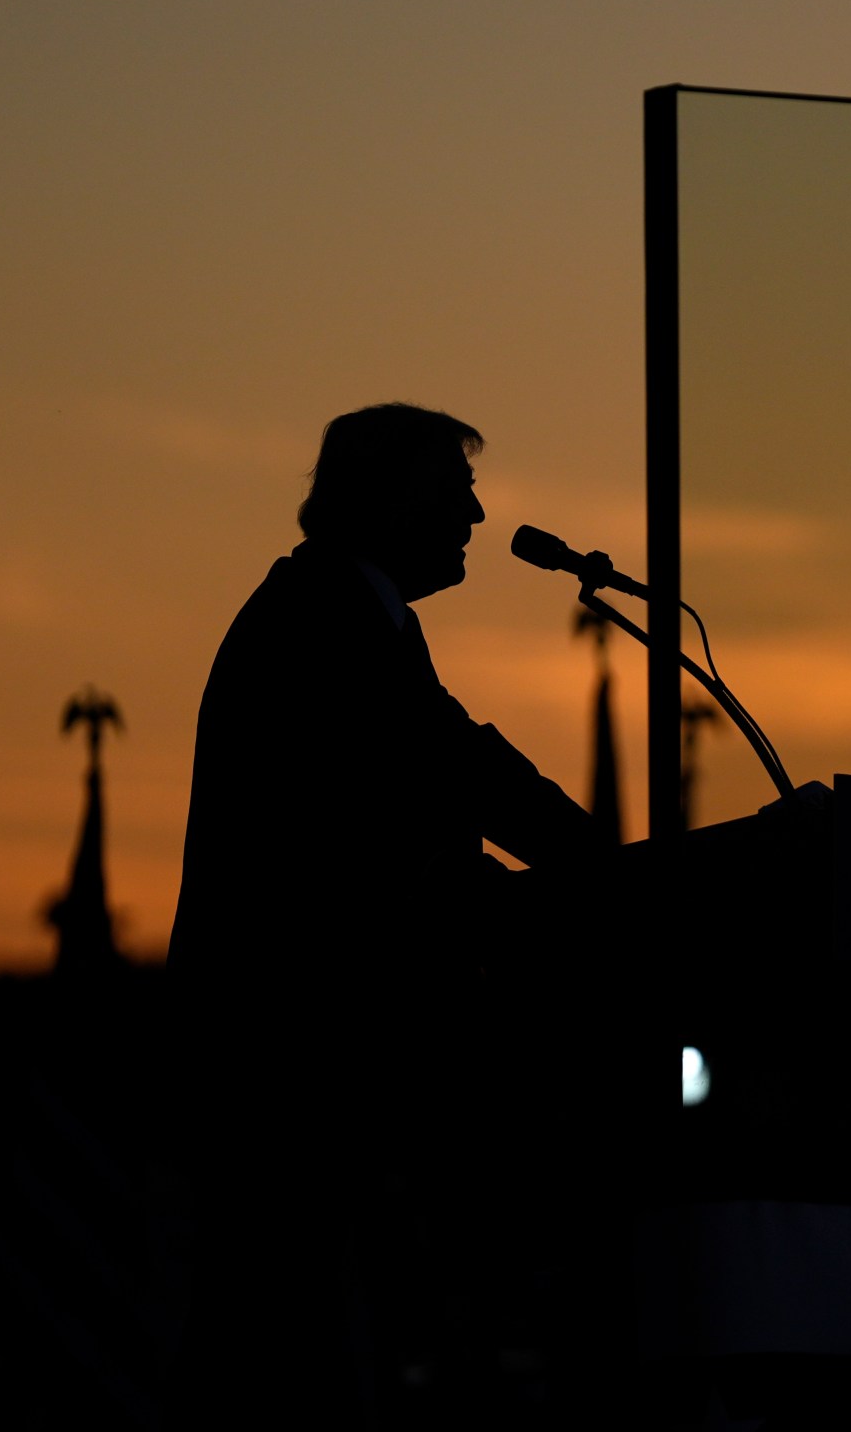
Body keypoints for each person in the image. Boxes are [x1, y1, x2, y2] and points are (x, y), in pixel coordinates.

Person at [166, 402, 593, 1424]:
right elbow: (419, 799)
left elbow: (464, 762)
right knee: (290, 1362)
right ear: (394, 499)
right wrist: (609, 873)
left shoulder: (352, 618)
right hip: (285, 1062)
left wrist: (613, 865)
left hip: (306, 1070)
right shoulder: (322, 622)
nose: (480, 517)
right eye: (455, 492)